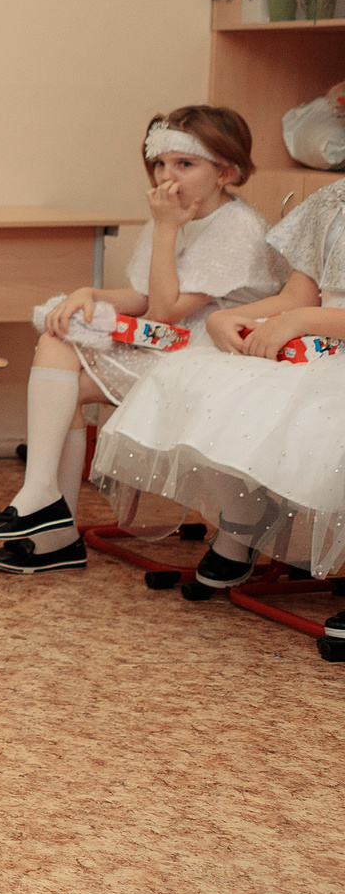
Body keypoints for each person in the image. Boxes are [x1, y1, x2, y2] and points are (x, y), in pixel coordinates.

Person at [0, 107, 281, 575]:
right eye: (160, 164)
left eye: (184, 164)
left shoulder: (238, 227)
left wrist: (166, 228)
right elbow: (142, 297)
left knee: (67, 386)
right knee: (58, 341)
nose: (166, 177)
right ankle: (44, 504)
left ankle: (49, 519)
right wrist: (90, 294)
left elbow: (165, 309)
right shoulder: (175, 216)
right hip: (171, 342)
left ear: (226, 172)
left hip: (214, 353)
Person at [95, 176, 345, 615]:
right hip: (318, 347)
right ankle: (243, 515)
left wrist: (303, 320)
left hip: (328, 347)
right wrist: (227, 318)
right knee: (199, 379)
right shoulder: (333, 199)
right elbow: (297, 295)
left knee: (321, 416)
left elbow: (302, 311)